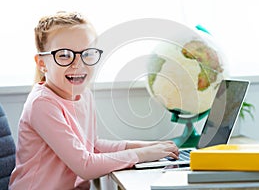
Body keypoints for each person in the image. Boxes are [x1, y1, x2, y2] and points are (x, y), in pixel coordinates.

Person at [9, 11, 179, 189]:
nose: (78, 64)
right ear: (42, 63)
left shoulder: (84, 95)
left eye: (87, 53)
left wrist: (148, 147)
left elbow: (92, 146)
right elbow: (85, 165)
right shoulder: (42, 104)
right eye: (65, 55)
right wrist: (143, 154)